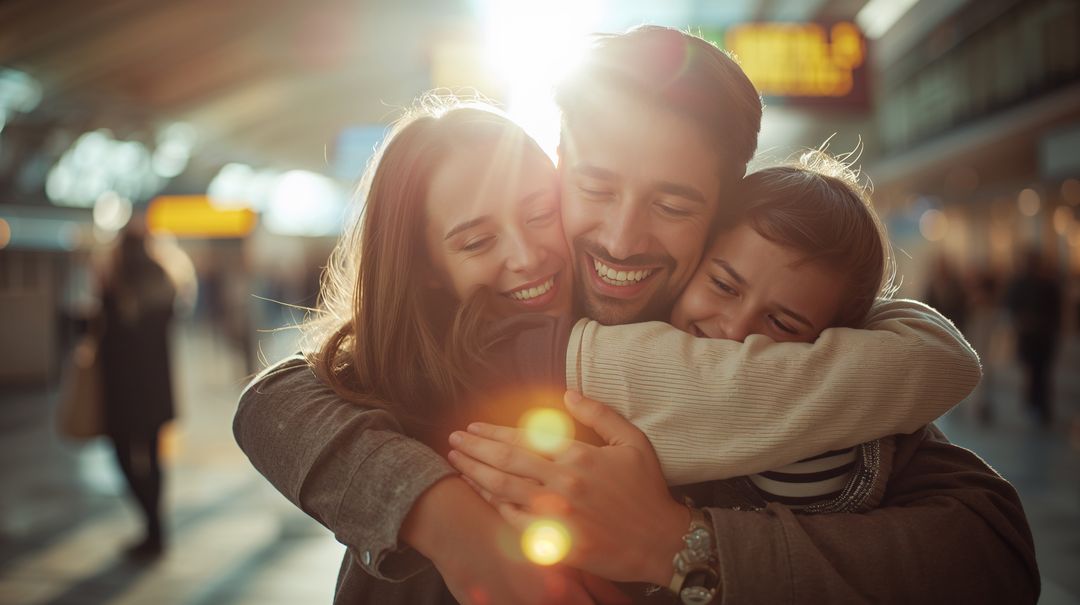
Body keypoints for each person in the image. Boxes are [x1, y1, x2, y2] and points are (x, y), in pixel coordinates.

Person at [234, 26, 1038, 604]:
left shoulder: (784, 356)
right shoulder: (474, 326)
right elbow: (283, 398)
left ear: (724, 209)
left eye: (673, 203)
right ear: (556, 167)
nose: (621, 237)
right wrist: (447, 519)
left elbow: (991, 552)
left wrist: (678, 542)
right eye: (595, 188)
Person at [97, 221, 177, 559]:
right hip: (157, 387)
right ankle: (156, 529)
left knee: (122, 455)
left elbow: (106, 339)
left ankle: (152, 527)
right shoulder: (164, 278)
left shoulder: (117, 283)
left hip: (123, 390)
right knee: (154, 458)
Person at [1006, 247, 1063, 426]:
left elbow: (1056, 311)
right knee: (1033, 371)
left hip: (1044, 336)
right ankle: (1034, 403)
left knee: (1041, 372)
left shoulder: (1048, 284)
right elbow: (1011, 305)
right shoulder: (1020, 283)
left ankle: (1040, 405)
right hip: (1029, 336)